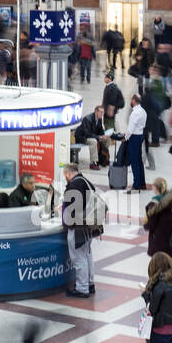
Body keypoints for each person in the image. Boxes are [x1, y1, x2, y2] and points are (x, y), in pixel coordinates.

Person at [61, 163, 94, 298]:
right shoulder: (87, 182)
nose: (65, 178)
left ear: (69, 174)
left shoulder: (73, 187)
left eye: (65, 176)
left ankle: (82, 288)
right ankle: (90, 284)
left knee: (79, 258)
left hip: (77, 228)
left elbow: (70, 209)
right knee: (87, 255)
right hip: (89, 226)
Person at [144, 178, 172, 256]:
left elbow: (151, 224)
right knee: (168, 262)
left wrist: (146, 225)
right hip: (169, 236)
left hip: (158, 238)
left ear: (155, 188)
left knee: (158, 264)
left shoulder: (154, 204)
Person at [125, 93, 147, 193]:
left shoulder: (135, 113)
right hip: (140, 135)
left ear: (134, 100)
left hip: (134, 137)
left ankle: (136, 186)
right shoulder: (143, 111)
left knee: (134, 162)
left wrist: (125, 138)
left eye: (131, 99)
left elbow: (130, 129)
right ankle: (142, 183)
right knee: (139, 161)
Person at [75, 105, 108, 170]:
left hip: (91, 136)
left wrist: (104, 135)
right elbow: (87, 133)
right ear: (96, 112)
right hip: (82, 137)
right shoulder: (87, 119)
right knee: (93, 141)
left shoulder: (99, 119)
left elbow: (100, 130)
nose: (102, 114)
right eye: (101, 112)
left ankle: (103, 158)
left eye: (103, 112)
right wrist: (98, 137)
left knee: (107, 140)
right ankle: (93, 163)